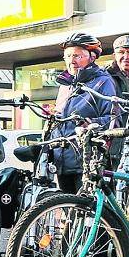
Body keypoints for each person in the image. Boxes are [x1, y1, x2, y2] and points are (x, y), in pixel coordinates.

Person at [50, 33, 118, 193]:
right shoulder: (65, 84)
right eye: (67, 56)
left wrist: (90, 123)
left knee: (88, 212)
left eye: (77, 56)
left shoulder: (102, 82)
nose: (71, 60)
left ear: (92, 57)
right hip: (62, 160)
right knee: (68, 211)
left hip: (87, 159)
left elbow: (113, 119)